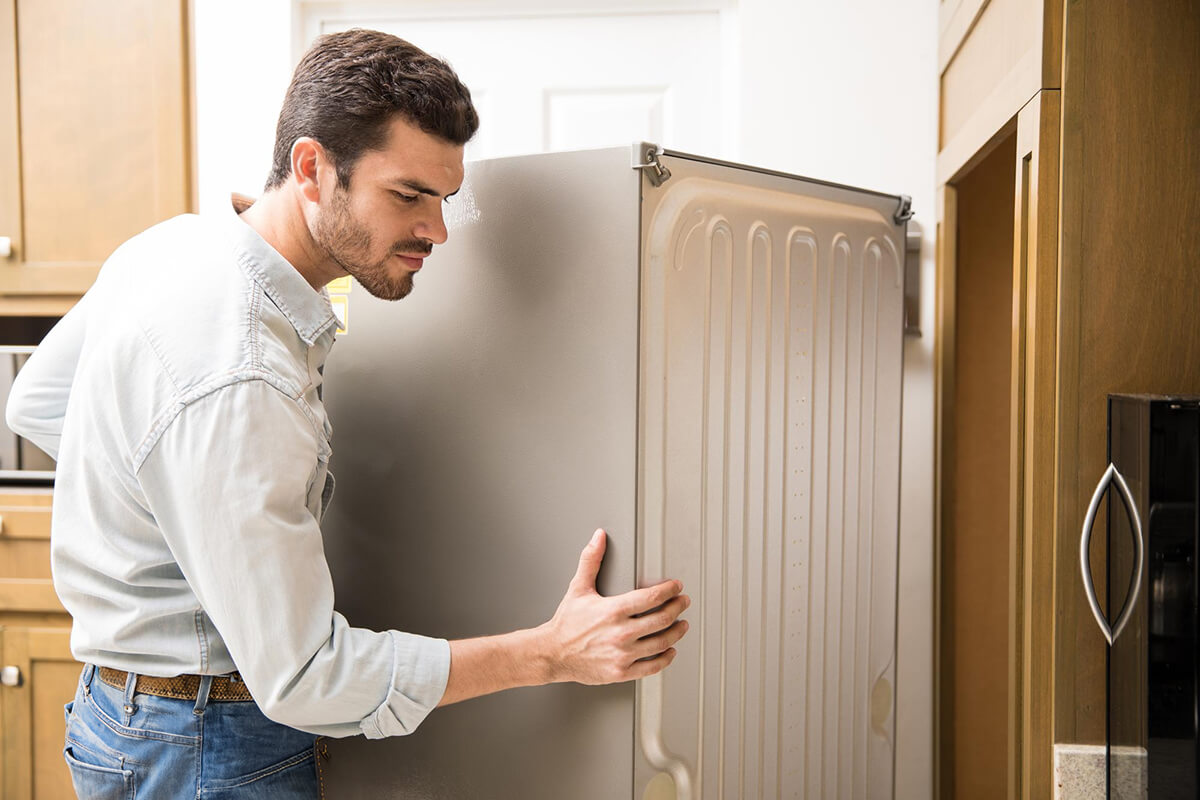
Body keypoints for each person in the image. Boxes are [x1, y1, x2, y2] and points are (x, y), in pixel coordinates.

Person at [7, 28, 689, 799]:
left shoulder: (171, 246)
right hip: (207, 746)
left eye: (444, 198)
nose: (436, 229)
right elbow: (304, 676)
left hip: (117, 715)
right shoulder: (244, 377)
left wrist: (190, 515)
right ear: (312, 168)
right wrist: (551, 654)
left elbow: (36, 402)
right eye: (407, 195)